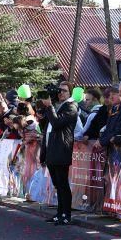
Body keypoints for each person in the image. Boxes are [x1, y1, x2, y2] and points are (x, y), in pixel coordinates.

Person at [38, 82, 78, 225]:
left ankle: (66, 215)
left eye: (64, 90)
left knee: (63, 184)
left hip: (61, 150)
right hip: (51, 149)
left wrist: (49, 106)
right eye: (59, 90)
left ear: (70, 93)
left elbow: (57, 123)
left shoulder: (71, 106)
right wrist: (44, 110)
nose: (61, 93)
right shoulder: (58, 106)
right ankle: (59, 213)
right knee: (57, 184)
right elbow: (46, 125)